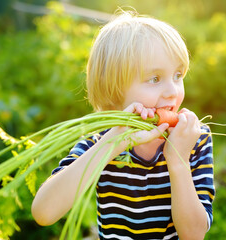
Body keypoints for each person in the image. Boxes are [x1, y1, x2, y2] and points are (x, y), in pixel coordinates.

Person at [32, 9, 215, 240]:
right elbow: (43, 212)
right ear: (114, 91)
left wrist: (179, 160)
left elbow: (194, 234)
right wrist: (113, 144)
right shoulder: (101, 140)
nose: (172, 91)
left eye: (178, 75)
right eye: (155, 79)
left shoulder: (194, 139)